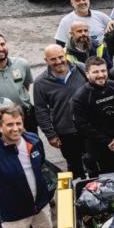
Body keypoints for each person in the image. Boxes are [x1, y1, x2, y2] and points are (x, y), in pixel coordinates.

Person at [72, 57, 114, 176]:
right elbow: (82, 126)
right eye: (95, 72)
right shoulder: (80, 97)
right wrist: (108, 141)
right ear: (87, 74)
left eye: (103, 71)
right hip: (98, 145)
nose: (101, 75)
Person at [34, 45, 87, 178]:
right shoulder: (40, 83)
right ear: (46, 60)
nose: (58, 61)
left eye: (60, 57)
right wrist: (50, 135)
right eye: (53, 59)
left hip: (88, 127)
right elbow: (41, 110)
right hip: (65, 132)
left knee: (93, 160)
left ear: (65, 55)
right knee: (74, 165)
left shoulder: (81, 69)